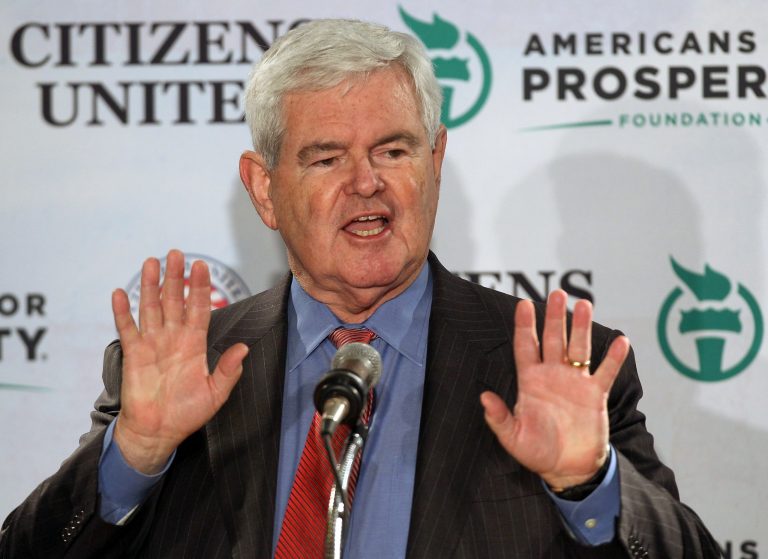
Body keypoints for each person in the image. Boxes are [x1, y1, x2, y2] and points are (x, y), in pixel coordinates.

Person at [1, 18, 720, 559]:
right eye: (325, 157)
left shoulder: (558, 366)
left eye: (394, 150)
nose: (367, 182)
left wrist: (587, 484)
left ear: (435, 162)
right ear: (264, 190)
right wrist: (136, 454)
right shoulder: (181, 370)